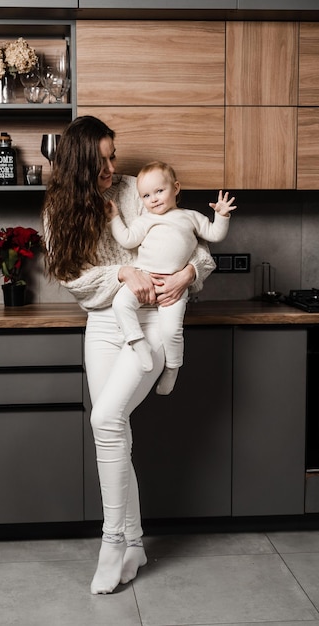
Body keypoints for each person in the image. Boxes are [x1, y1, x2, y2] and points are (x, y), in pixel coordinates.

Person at [43, 115, 215, 595]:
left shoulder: (131, 190)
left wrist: (189, 275)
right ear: (79, 161)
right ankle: (135, 544)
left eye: (113, 156)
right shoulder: (58, 208)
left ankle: (112, 542)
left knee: (105, 421)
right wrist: (121, 275)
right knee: (114, 431)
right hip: (103, 323)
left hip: (153, 322)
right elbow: (70, 277)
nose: (113, 166)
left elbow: (196, 246)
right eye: (103, 159)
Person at [107, 160, 237, 394]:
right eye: (146, 196)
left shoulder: (191, 217)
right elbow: (127, 239)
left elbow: (215, 234)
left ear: (175, 188)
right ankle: (137, 343)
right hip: (144, 277)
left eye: (159, 191)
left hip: (174, 285)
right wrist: (114, 217)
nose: (154, 199)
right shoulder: (145, 220)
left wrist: (222, 215)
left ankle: (172, 368)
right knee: (120, 304)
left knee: (171, 331)